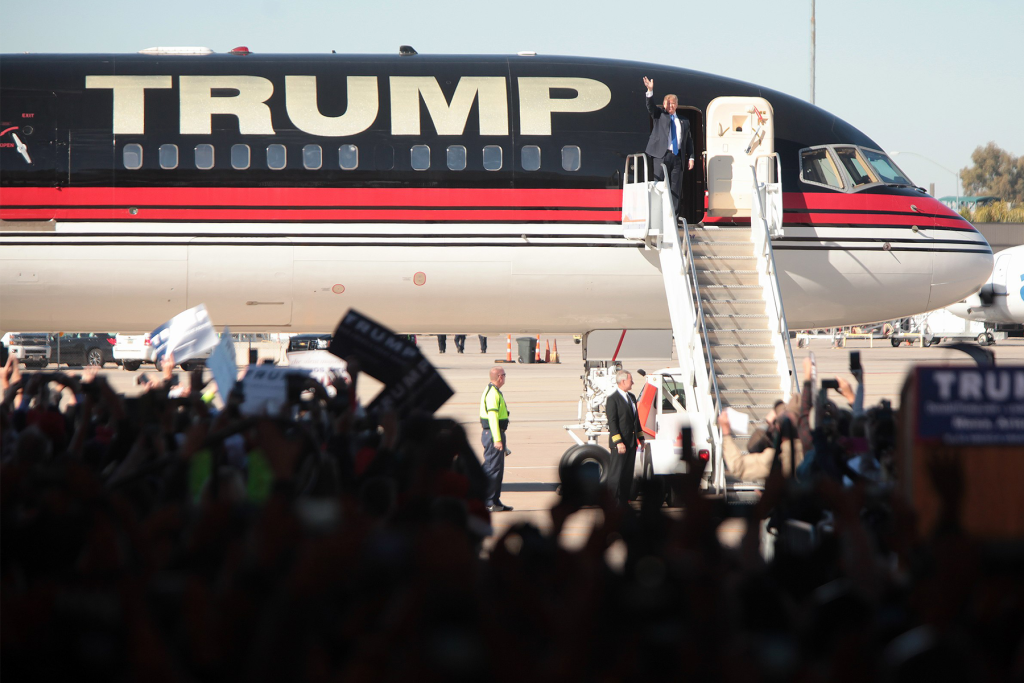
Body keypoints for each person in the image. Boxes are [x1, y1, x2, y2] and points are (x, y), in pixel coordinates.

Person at [643, 76, 694, 216]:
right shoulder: (659, 115)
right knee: (658, 186)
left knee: (675, 189)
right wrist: (650, 91)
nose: (670, 106)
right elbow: (650, 106)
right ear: (664, 104)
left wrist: (691, 157)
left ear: (676, 105)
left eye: (673, 104)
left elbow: (688, 141)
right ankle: (657, 217)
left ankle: (673, 219)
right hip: (661, 155)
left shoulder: (684, 121)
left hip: (677, 158)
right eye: (668, 103)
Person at [605, 369, 645, 503]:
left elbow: (636, 420)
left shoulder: (632, 397)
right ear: (623, 381)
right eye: (630, 380)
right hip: (620, 444)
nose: (633, 382)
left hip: (632, 443)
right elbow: (612, 423)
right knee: (616, 474)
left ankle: (623, 501)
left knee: (627, 474)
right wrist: (618, 442)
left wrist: (641, 438)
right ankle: (612, 501)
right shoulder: (613, 399)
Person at [479, 366, 513, 512]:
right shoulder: (492, 394)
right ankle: (488, 501)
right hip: (493, 434)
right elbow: (492, 418)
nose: (505, 377)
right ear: (499, 377)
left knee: (497, 469)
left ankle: (495, 500)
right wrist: (497, 440)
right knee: (492, 469)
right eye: (504, 375)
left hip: (495, 433)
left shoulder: (493, 391)